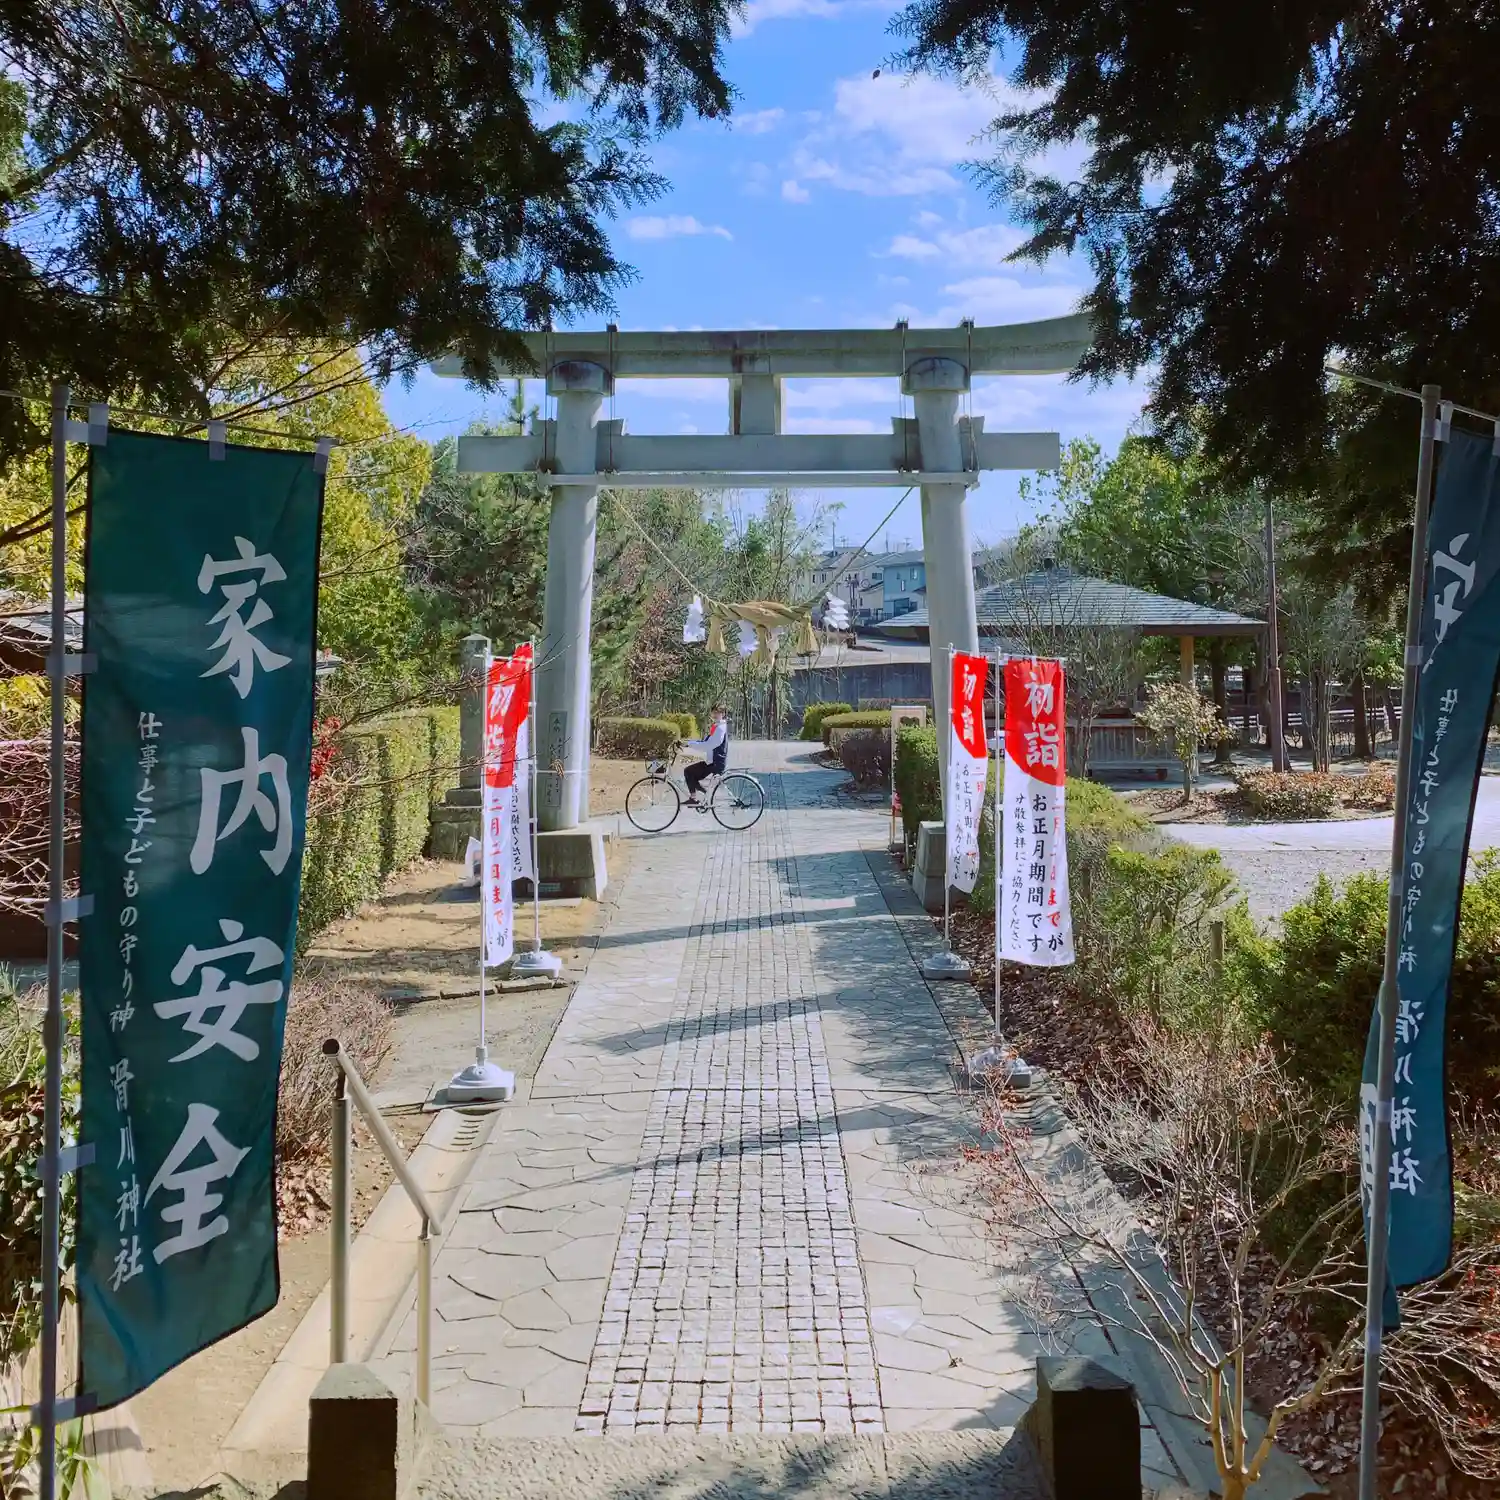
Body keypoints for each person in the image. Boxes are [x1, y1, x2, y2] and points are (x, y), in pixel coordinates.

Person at [684, 706, 729, 805]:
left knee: (688, 772)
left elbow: (708, 745)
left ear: (723, 714)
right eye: (714, 712)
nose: (715, 715)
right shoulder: (716, 726)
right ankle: (704, 795)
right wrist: (688, 742)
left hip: (715, 763)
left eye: (718, 713)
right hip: (712, 761)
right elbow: (706, 742)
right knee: (691, 774)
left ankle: (697, 797)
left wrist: (690, 744)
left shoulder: (720, 728)